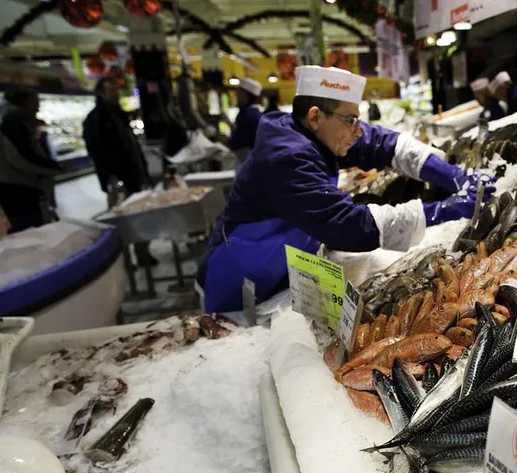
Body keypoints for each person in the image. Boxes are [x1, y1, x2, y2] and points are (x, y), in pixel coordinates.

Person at [196, 65, 494, 313]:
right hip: (240, 282)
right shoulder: (287, 157)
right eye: (351, 120)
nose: (358, 130)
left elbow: (381, 143)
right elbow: (349, 226)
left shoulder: (316, 134)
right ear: (315, 117)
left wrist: (453, 175)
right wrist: (443, 210)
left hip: (283, 265)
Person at [83, 77, 157, 265]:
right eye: (110, 90)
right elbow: (97, 151)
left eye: (116, 89)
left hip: (133, 174)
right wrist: (110, 177)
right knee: (120, 221)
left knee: (140, 217)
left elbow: (132, 147)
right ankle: (124, 260)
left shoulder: (120, 115)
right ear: (100, 92)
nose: (115, 93)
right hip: (117, 178)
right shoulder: (96, 119)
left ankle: (142, 253)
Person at [0, 88, 61, 232]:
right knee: (31, 236)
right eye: (36, 99)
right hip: (19, 192)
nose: (39, 104)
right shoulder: (11, 121)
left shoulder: (4, 119)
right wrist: (53, 167)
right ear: (28, 100)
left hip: (10, 189)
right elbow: (21, 157)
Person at [229, 77, 263, 166]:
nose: (237, 96)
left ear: (246, 95)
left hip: (250, 163)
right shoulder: (246, 114)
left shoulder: (250, 116)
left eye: (239, 93)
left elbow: (238, 142)